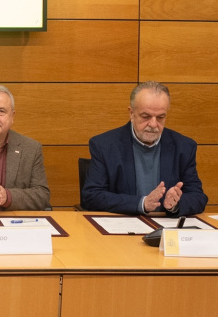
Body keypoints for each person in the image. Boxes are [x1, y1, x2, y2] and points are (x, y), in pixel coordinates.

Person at [82, 81, 208, 216]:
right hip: (123, 223)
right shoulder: (104, 146)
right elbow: (92, 196)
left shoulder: (184, 147)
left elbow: (198, 197)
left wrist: (175, 205)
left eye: (160, 117)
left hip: (165, 225)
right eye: (146, 116)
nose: (153, 124)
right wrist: (142, 203)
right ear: (131, 114)